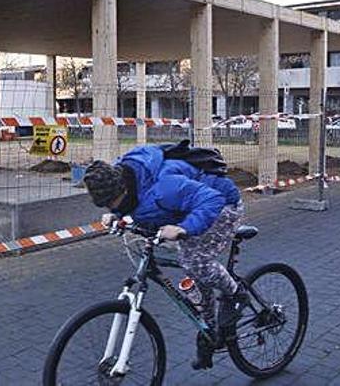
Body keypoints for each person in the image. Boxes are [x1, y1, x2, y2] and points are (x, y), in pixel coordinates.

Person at [83, 145, 245, 370]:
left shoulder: (165, 187)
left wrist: (184, 228)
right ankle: (209, 331)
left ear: (124, 189)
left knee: (195, 261)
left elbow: (212, 200)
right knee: (191, 272)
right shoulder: (123, 179)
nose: (111, 206)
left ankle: (236, 294)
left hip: (222, 205)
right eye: (105, 204)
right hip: (184, 208)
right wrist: (115, 216)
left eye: (112, 202)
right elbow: (132, 206)